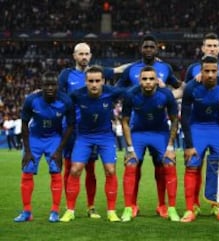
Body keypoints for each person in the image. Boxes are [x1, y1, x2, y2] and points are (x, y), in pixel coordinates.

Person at [115, 34, 184, 218]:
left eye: (151, 47)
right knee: (131, 164)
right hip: (138, 131)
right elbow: (117, 91)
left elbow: (180, 88)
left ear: (156, 48)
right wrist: (129, 148)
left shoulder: (165, 73)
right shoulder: (131, 75)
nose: (148, 50)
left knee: (166, 164)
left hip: (159, 132)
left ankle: (165, 206)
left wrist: (171, 147)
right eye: (145, 46)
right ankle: (130, 207)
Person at [58, 42, 128, 218]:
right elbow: (59, 99)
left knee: (98, 169)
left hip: (103, 134)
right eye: (80, 53)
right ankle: (70, 209)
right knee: (72, 169)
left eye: (86, 53)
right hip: (77, 131)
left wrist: (143, 67)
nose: (83, 56)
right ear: (74, 55)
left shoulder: (106, 84)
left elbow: (121, 73)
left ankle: (94, 207)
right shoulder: (68, 78)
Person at [180, 55, 219, 223]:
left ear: (218, 71)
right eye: (207, 71)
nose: (210, 75)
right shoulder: (191, 87)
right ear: (201, 72)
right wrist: (189, 145)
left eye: (213, 71)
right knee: (192, 166)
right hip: (197, 128)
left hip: (217, 128)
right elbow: (185, 117)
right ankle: (191, 208)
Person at [14, 71, 74, 222]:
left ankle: (54, 211)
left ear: (57, 86)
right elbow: (24, 124)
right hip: (34, 138)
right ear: (41, 86)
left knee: (55, 172)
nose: (49, 88)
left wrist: (59, 150)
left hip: (54, 138)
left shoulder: (65, 101)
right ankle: (27, 212)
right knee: (27, 172)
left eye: (52, 85)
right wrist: (27, 151)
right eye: (46, 85)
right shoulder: (31, 100)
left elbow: (71, 125)